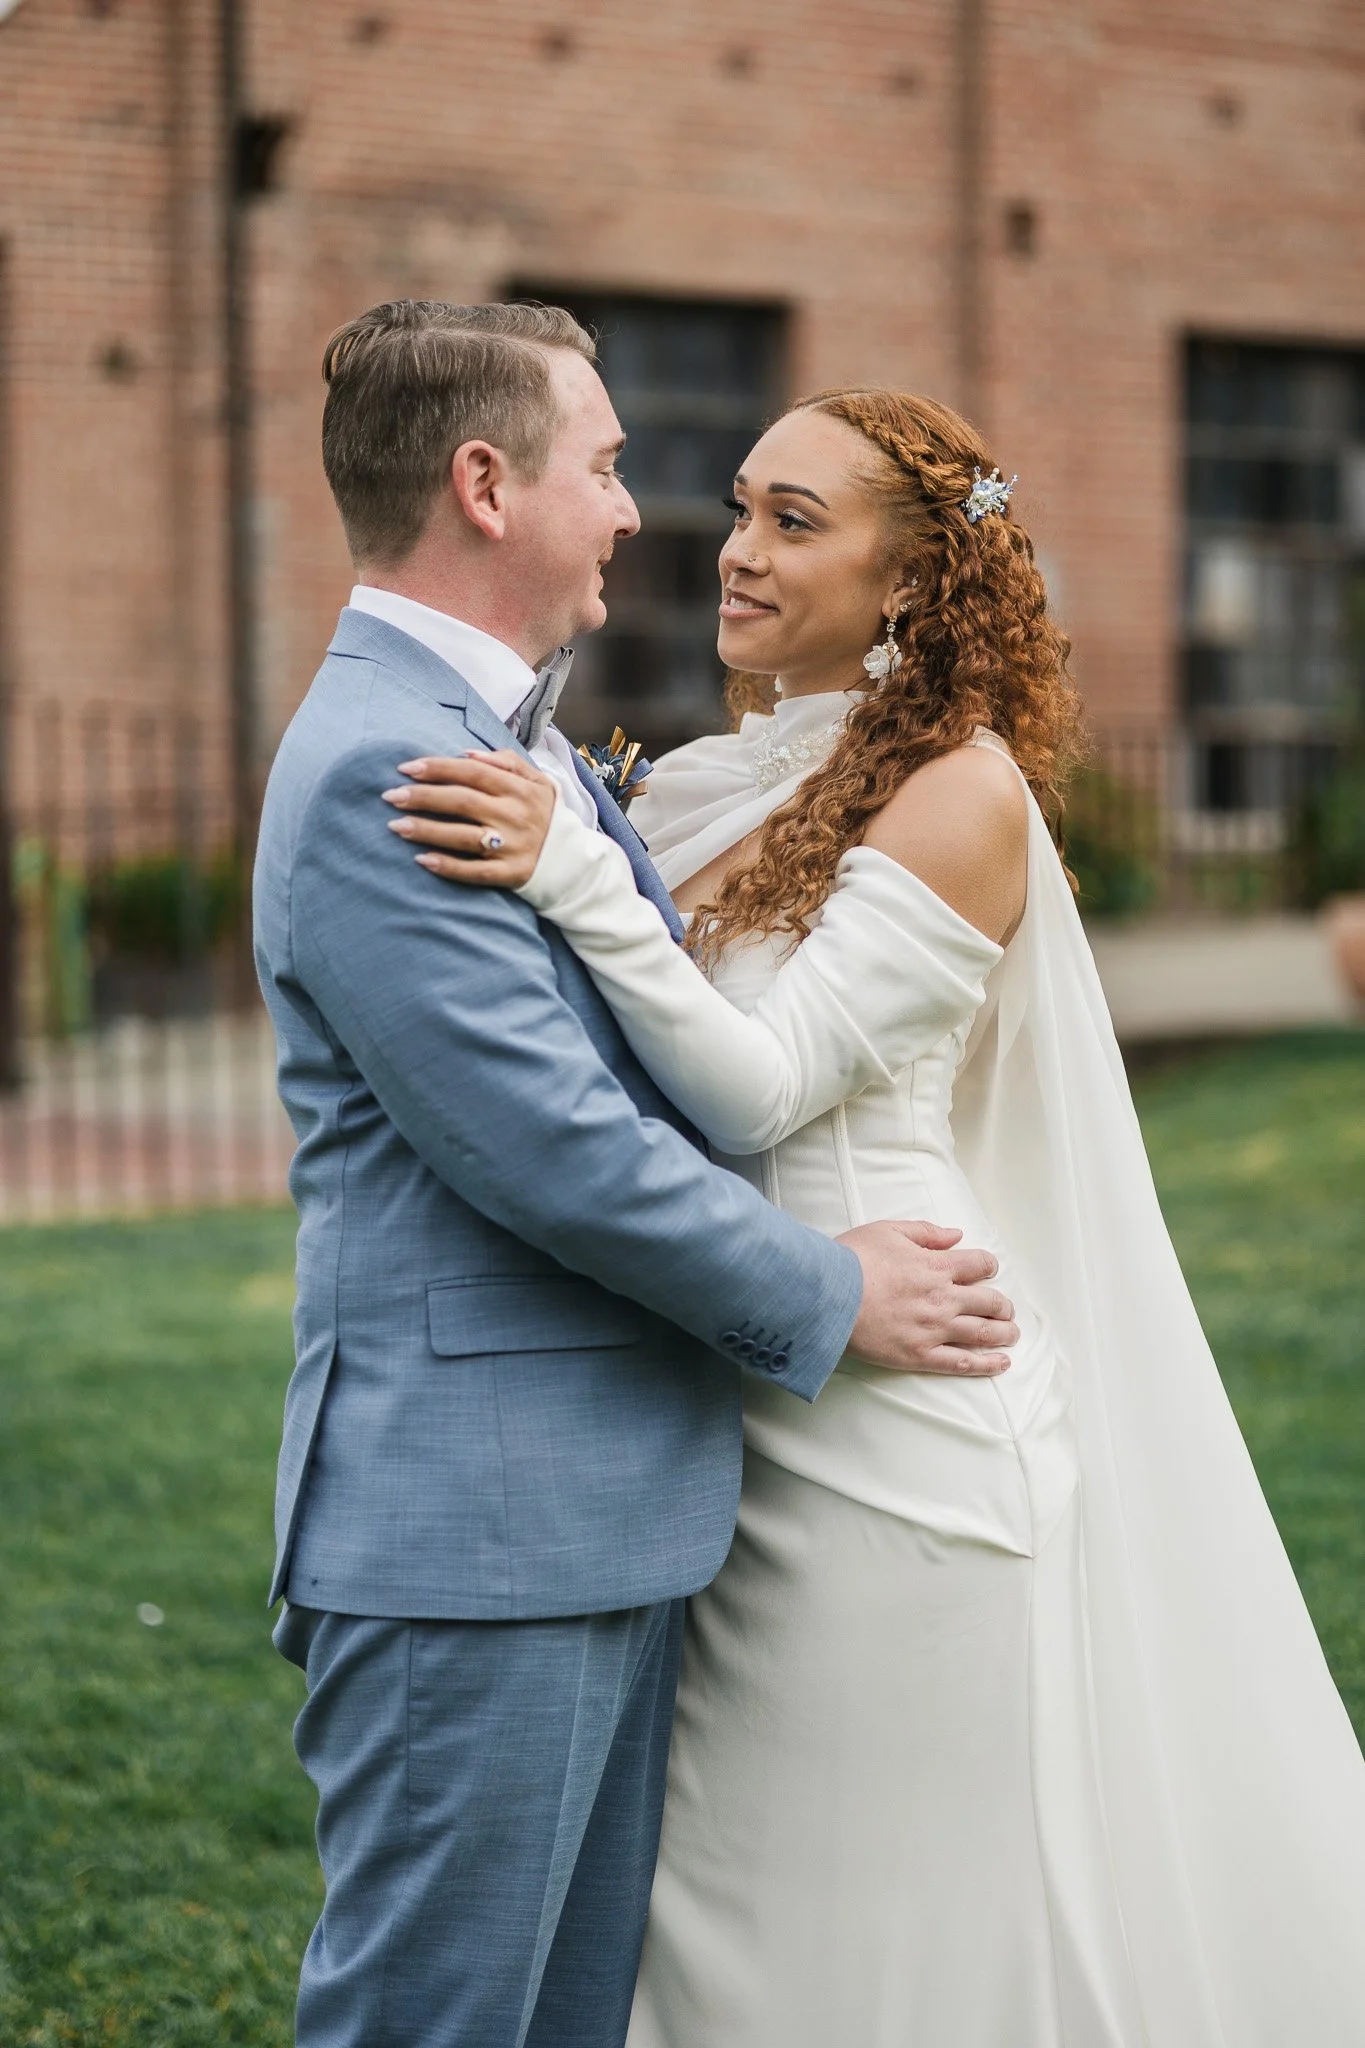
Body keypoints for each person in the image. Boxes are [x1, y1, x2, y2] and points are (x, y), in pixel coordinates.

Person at [393, 385, 1365, 2045]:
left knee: (886, 1925)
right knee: (729, 1912)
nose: (736, 551)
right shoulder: (708, 779)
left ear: (909, 583)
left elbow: (763, 1087)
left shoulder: (964, 795)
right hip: (741, 1392)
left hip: (901, 1410)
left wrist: (569, 873)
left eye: (794, 521)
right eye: (739, 507)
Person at [252, 304, 1020, 2048]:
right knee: (442, 2020)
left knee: (568, 2017)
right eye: (603, 468)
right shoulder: (400, 756)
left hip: (596, 1507)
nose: (634, 514)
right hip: (480, 1529)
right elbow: (562, 1159)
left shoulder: (499, 732)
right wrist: (839, 1289)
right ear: (482, 484)